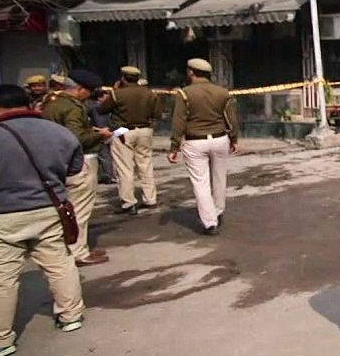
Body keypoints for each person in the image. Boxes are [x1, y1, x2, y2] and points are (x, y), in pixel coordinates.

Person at [0, 84, 88, 356]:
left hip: (2, 215)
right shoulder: (59, 133)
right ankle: (71, 315)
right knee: (59, 263)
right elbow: (75, 168)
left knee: (1, 277)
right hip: (49, 208)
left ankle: (0, 338)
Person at [42, 70, 111, 266]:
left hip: (57, 161)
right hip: (80, 162)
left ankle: (67, 249)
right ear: (79, 89)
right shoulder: (72, 108)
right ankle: (78, 252)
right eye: (88, 91)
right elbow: (76, 138)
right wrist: (100, 135)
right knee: (80, 210)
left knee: (65, 208)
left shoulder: (52, 102)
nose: (89, 96)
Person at [169, 59, 239, 236]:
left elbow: (179, 122)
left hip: (195, 141)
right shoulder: (222, 93)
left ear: (191, 72)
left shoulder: (184, 94)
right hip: (220, 139)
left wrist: (174, 146)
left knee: (201, 182)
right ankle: (218, 210)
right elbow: (230, 119)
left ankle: (209, 222)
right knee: (219, 178)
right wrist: (234, 138)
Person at [98, 66, 160, 214]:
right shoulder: (149, 93)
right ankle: (150, 198)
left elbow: (102, 109)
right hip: (145, 129)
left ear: (123, 78)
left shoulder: (117, 93)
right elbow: (157, 113)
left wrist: (114, 90)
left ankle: (128, 202)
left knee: (124, 167)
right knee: (145, 165)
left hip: (124, 131)